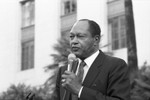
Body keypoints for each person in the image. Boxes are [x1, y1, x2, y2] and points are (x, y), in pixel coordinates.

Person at [55, 19, 130, 100]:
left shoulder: (115, 66)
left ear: (96, 40)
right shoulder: (64, 71)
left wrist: (79, 90)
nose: (74, 41)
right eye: (71, 37)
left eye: (80, 36)